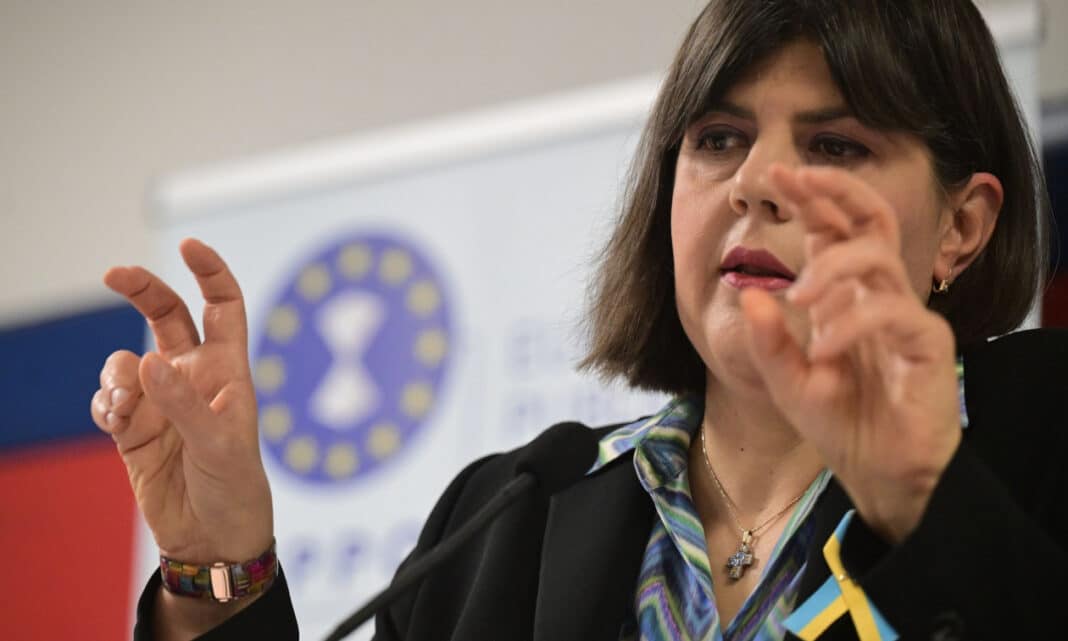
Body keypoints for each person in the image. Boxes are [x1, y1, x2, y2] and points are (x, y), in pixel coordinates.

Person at [91, 1, 1067, 639]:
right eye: (719, 138)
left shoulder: (1047, 433)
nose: (757, 181)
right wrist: (216, 565)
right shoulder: (505, 516)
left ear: (961, 226)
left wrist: (933, 504)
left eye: (836, 145)